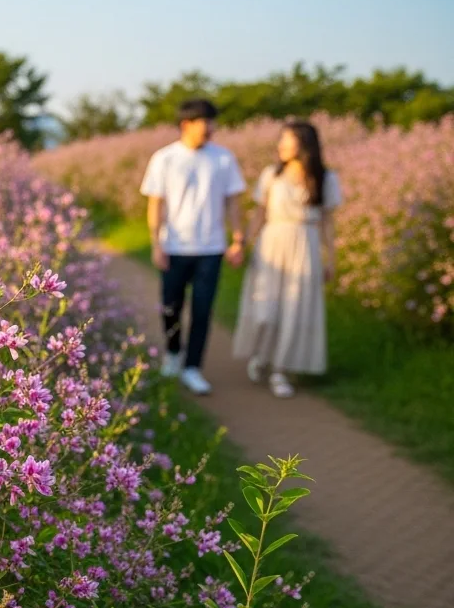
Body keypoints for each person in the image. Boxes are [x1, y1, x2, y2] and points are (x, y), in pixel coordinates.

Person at [140, 98, 247, 395]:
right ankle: (173, 353)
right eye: (205, 122)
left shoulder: (224, 158)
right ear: (187, 124)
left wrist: (238, 239)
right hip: (174, 246)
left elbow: (233, 203)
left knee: (203, 309)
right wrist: (155, 243)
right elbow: (155, 204)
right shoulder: (164, 158)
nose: (211, 128)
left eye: (212, 122)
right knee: (171, 306)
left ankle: (193, 367)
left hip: (211, 248)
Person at [232, 120, 341, 398]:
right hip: (272, 244)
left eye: (286, 140)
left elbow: (328, 222)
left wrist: (331, 259)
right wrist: (242, 242)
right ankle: (262, 354)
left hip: (305, 245)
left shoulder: (325, 179)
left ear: (303, 144)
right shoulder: (271, 175)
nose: (280, 145)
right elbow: (260, 213)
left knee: (295, 308)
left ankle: (281, 369)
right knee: (265, 309)